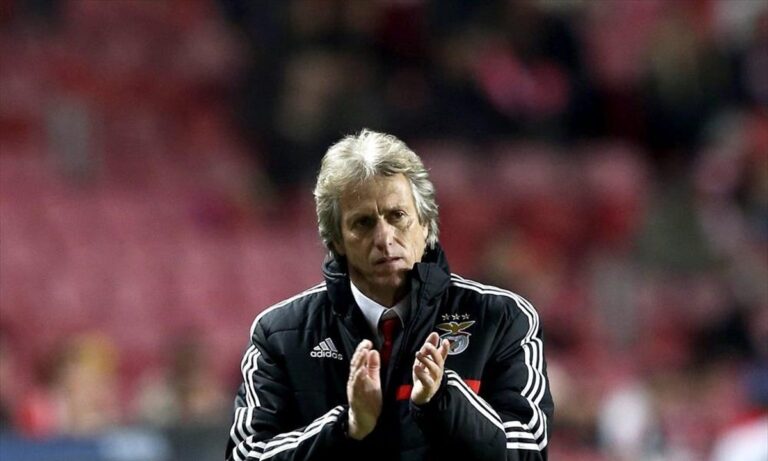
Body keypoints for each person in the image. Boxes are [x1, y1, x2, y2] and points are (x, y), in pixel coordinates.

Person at [225, 129, 554, 460]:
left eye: (397, 216)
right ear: (336, 240)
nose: (384, 238)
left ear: (426, 224)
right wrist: (347, 427)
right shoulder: (279, 334)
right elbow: (247, 455)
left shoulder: (501, 318)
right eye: (363, 223)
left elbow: (527, 449)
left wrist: (442, 401)